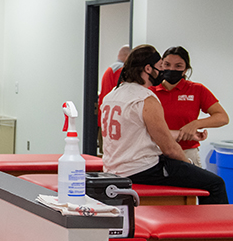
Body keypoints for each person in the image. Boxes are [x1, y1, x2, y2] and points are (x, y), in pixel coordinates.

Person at [100, 44, 227, 204]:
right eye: (161, 66)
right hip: (142, 169)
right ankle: (217, 229)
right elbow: (170, 149)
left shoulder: (112, 95)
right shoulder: (146, 98)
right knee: (216, 183)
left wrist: (186, 132)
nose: (164, 72)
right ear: (148, 69)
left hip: (115, 168)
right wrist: (188, 165)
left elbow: (141, 132)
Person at [152, 46, 229, 166]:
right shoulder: (149, 91)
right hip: (154, 152)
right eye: (167, 64)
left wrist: (196, 124)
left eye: (178, 66)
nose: (172, 69)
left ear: (185, 70)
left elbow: (223, 118)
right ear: (161, 66)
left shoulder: (197, 90)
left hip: (187, 152)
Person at [98, 44, 131, 108]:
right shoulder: (120, 70)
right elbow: (123, 90)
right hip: (113, 108)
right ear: (128, 57)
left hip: (106, 108)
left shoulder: (112, 68)